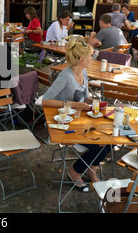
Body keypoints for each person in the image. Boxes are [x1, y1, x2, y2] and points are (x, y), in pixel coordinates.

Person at [42, 38, 110, 190]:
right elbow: (46, 100)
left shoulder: (83, 72)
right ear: (81, 59)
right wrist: (74, 104)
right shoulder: (65, 75)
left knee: (110, 139)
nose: (92, 58)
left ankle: (90, 167)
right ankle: (74, 171)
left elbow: (84, 97)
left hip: (79, 119)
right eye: (90, 56)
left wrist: (94, 103)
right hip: (63, 123)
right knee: (100, 147)